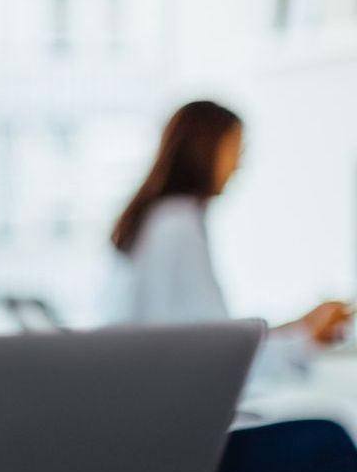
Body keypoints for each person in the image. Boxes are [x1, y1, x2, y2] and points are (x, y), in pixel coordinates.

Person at [103, 99, 349, 366]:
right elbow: (217, 352)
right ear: (204, 149)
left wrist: (302, 326)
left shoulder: (163, 218)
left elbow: (210, 334)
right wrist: (305, 339)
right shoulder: (178, 228)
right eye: (235, 149)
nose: (238, 164)